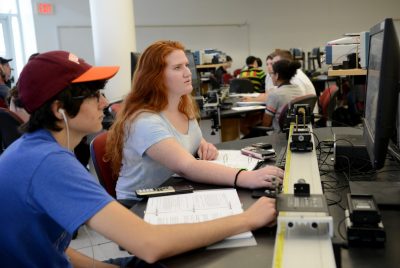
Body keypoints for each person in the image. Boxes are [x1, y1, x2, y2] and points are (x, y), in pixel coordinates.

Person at [0, 50, 279, 267]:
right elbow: (149, 243)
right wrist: (247, 219)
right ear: (59, 109)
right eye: (94, 95)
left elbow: (52, 250)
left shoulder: (37, 150)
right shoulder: (48, 163)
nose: (104, 103)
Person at [105, 40, 284, 207]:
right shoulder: (144, 121)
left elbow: (184, 141)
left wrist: (203, 145)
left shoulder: (182, 105)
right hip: (140, 203)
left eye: (186, 65)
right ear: (155, 77)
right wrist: (247, 177)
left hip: (174, 187)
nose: (188, 72)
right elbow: (187, 166)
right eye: (177, 68)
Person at [262, 59, 304, 132]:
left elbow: (266, 124)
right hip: (295, 134)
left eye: (272, 73)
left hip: (277, 137)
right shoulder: (299, 90)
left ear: (277, 75)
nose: (271, 76)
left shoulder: (275, 95)